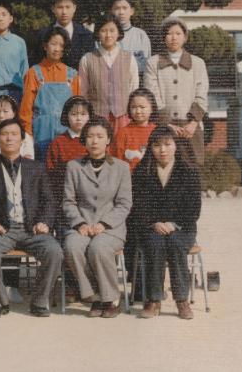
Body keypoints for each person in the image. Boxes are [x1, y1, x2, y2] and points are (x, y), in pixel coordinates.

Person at [0, 118, 63, 318]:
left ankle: (39, 301)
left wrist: (44, 222)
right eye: (5, 134)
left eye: (14, 134)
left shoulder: (36, 168)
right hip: (3, 229)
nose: (9, 138)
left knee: (54, 251)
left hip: (31, 228)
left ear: (22, 140)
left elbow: (49, 200)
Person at [62, 117, 132, 318]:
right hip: (82, 225)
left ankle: (112, 299)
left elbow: (124, 204)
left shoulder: (121, 168)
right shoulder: (73, 167)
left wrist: (103, 224)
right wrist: (80, 223)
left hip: (111, 228)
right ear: (84, 140)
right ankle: (95, 296)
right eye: (90, 136)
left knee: (98, 247)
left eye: (100, 136)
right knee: (72, 247)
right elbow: (68, 202)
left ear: (108, 139)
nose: (94, 141)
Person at [130, 126, 201, 320]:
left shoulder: (189, 171)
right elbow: (137, 206)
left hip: (182, 227)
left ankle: (182, 299)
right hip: (151, 227)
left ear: (176, 146)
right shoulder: (141, 171)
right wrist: (153, 223)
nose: (162, 150)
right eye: (157, 145)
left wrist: (174, 224)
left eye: (168, 144)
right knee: (155, 243)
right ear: (150, 147)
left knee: (175, 243)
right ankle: (153, 299)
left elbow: (194, 208)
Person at [143, 18, 209, 165]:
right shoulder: (153, 62)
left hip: (191, 127)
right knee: (163, 167)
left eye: (178, 34)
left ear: (185, 37)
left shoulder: (198, 63)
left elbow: (202, 94)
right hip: (163, 125)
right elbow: (151, 94)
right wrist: (166, 124)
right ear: (163, 38)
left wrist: (193, 123)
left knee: (192, 169)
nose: (174, 38)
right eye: (169, 34)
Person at [19, 26, 81, 161]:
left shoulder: (72, 75)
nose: (57, 49)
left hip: (66, 132)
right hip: (41, 131)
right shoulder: (34, 73)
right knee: (42, 167)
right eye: (53, 44)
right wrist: (28, 135)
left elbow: (78, 110)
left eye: (61, 45)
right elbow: (26, 109)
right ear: (45, 46)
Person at [78, 15, 138, 138]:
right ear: (98, 33)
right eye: (103, 30)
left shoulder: (129, 58)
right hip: (97, 118)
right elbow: (83, 92)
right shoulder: (87, 59)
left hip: (123, 117)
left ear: (118, 32)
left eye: (112, 30)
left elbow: (133, 89)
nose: (108, 35)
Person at [45, 96, 92, 227]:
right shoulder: (58, 142)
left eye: (83, 114)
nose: (79, 118)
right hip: (66, 196)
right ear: (66, 116)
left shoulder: (94, 140)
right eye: (74, 114)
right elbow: (50, 172)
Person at [33, 0, 95, 69]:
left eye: (68, 7)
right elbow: (36, 63)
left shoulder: (86, 35)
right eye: (60, 7)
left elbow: (90, 66)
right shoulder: (42, 34)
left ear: (74, 8)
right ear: (53, 9)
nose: (64, 12)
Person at [111, 88, 158, 172]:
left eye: (142, 107)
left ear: (152, 108)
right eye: (133, 107)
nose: (138, 111)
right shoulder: (123, 133)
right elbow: (117, 160)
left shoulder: (157, 131)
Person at [110, 0, 151, 78]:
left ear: (132, 11)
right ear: (111, 11)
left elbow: (145, 66)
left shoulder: (141, 35)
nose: (121, 12)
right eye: (117, 8)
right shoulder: (106, 35)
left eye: (125, 8)